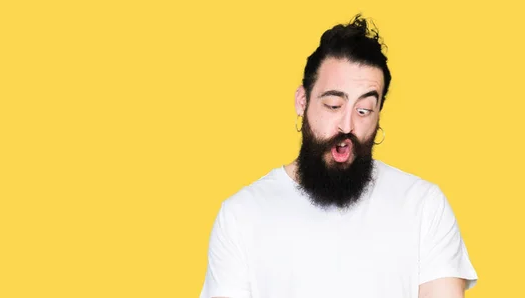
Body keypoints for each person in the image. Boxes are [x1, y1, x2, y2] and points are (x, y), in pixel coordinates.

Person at [199, 14, 478, 298]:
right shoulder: (241, 215)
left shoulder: (424, 206)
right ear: (302, 101)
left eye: (364, 110)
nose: (347, 126)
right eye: (333, 105)